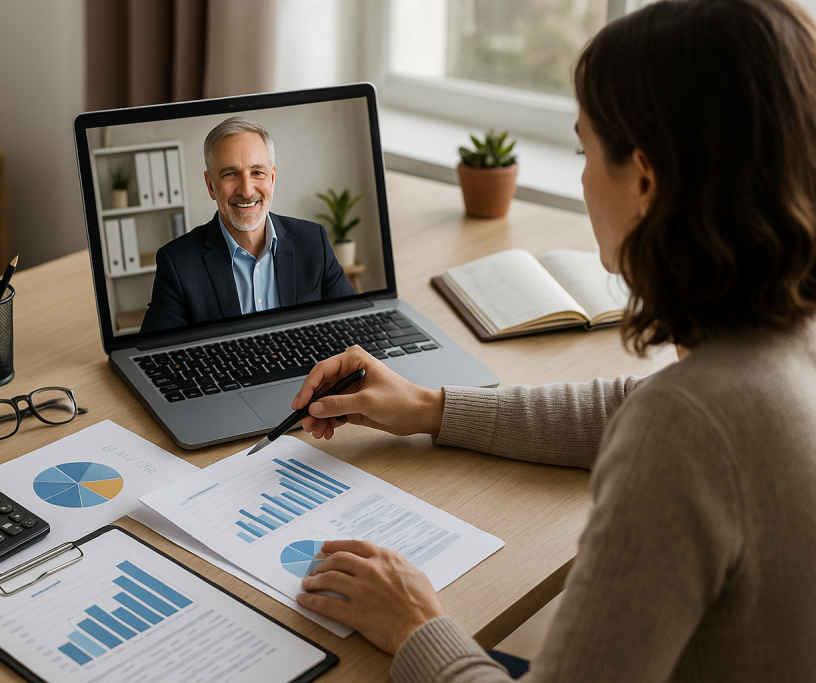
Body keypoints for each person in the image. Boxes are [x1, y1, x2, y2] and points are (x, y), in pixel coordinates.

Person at [292, 1, 816, 681]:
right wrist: (431, 406)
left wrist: (417, 625)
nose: (582, 175)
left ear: (647, 180)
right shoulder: (784, 340)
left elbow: (671, 426)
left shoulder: (689, 427)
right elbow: (634, 407)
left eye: (584, 150)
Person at [139, 117, 355, 334]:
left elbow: (353, 323)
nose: (246, 190)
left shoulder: (312, 240)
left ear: (272, 178)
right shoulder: (177, 264)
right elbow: (154, 355)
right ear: (211, 185)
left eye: (257, 172)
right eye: (230, 174)